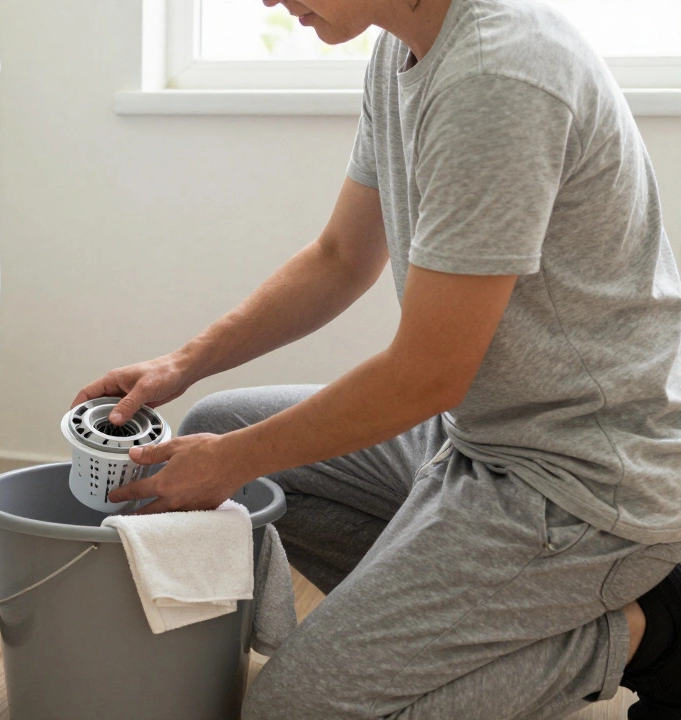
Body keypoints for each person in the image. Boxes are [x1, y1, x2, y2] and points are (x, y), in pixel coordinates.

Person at [74, 0, 681, 717]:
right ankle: (456, 625)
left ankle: (643, 632)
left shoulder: (500, 72)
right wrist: (184, 363)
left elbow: (426, 375)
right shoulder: (401, 48)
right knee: (220, 419)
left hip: (581, 480)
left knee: (290, 712)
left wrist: (233, 459)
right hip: (478, 435)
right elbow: (339, 258)